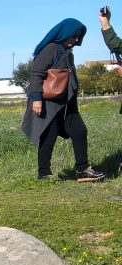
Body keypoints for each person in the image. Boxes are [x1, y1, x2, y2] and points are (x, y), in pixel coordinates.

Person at [22, 19, 105, 182]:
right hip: (50, 102)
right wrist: (37, 99)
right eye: (74, 36)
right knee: (49, 135)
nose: (76, 40)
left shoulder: (68, 51)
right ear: (64, 34)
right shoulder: (51, 49)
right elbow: (36, 73)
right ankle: (44, 173)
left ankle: (82, 170)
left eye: (78, 37)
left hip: (68, 103)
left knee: (80, 131)